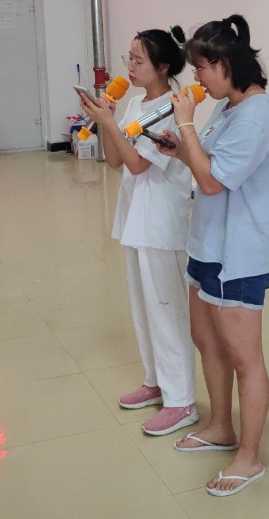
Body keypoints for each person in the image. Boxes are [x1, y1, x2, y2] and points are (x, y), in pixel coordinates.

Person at [158, 15, 269, 497]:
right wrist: (179, 148)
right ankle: (220, 427)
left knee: (244, 357)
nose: (197, 78)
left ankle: (249, 457)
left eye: (202, 68)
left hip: (240, 253)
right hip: (209, 243)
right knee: (207, 340)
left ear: (227, 64)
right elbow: (206, 163)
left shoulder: (257, 116)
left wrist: (186, 124)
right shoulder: (228, 106)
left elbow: (211, 182)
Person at [78, 26, 198, 437]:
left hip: (161, 222)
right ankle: (156, 381)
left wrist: (108, 122)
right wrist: (106, 121)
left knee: (167, 311)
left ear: (162, 66)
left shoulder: (170, 108)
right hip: (135, 219)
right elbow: (115, 160)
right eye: (128, 58)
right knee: (144, 309)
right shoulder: (134, 102)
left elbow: (138, 163)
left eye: (138, 60)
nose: (129, 66)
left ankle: (182, 401)